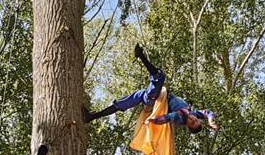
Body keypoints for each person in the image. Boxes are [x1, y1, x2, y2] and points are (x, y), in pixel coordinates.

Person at [83, 44, 219, 133]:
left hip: (154, 100)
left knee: (159, 77)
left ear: (188, 125)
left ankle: (140, 55)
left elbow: (166, 118)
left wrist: (152, 121)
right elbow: (208, 112)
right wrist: (211, 121)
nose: (192, 119)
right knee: (122, 104)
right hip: (152, 95)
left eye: (192, 122)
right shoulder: (194, 113)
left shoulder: (179, 117)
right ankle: (92, 116)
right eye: (195, 120)